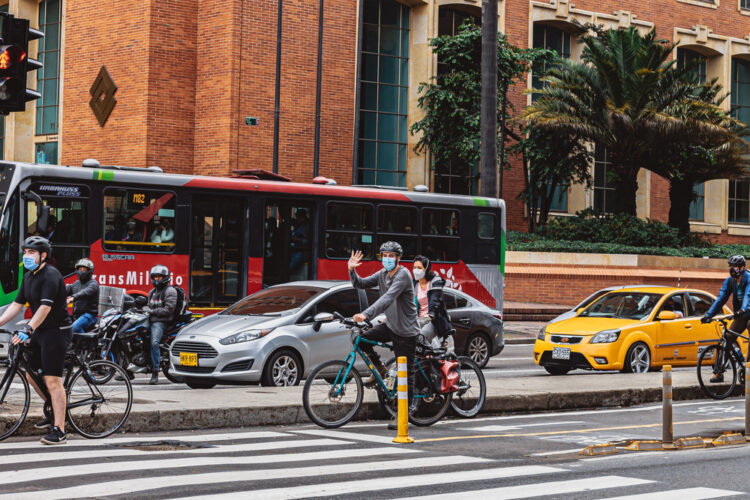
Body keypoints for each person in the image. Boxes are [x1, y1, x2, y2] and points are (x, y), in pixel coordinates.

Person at [0, 236, 72, 444]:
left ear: (43, 256)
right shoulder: (29, 276)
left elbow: (45, 307)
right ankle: (54, 406)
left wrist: (29, 328)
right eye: (25, 252)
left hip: (57, 331)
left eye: (31, 253)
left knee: (52, 379)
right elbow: (17, 304)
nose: (26, 256)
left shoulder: (51, 275)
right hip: (41, 329)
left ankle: (59, 429)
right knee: (30, 374)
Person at [348, 241, 419, 430]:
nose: (387, 259)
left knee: (406, 372)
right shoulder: (382, 274)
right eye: (384, 256)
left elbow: (387, 299)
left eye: (391, 256)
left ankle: (406, 411)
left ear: (398, 258)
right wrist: (352, 270)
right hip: (390, 325)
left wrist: (366, 315)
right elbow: (360, 284)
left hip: (405, 330)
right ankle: (380, 369)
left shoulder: (403, 275)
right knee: (361, 340)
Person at [702, 254, 750, 383]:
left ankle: (749, 368)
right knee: (727, 337)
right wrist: (708, 315)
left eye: (735, 267)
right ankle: (719, 373)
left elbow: (748, 295)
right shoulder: (730, 281)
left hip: (747, 311)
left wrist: (744, 308)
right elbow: (721, 298)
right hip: (741, 314)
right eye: (731, 267)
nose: (732, 269)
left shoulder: (749, 278)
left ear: (742, 268)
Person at [143, 265, 177, 385]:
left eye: (159, 277)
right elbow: (148, 306)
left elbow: (168, 310)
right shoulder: (152, 292)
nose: (157, 279)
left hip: (162, 322)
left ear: (165, 277)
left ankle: (155, 371)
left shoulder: (170, 291)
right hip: (151, 320)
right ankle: (129, 370)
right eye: (155, 277)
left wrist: (151, 311)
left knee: (154, 342)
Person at [412, 255, 453, 345]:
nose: (415, 270)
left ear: (426, 269)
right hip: (418, 320)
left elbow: (435, 300)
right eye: (414, 267)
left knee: (420, 337)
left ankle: (430, 356)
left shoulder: (435, 282)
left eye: (419, 267)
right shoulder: (414, 284)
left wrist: (431, 314)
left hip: (433, 320)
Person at [66, 258, 99, 334]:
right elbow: (67, 290)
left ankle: (84, 343)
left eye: (84, 270)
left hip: (89, 315)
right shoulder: (77, 283)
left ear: (89, 271)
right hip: (77, 315)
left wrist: (72, 298)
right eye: (80, 269)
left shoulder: (93, 284)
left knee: (75, 327)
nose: (81, 272)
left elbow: (84, 293)